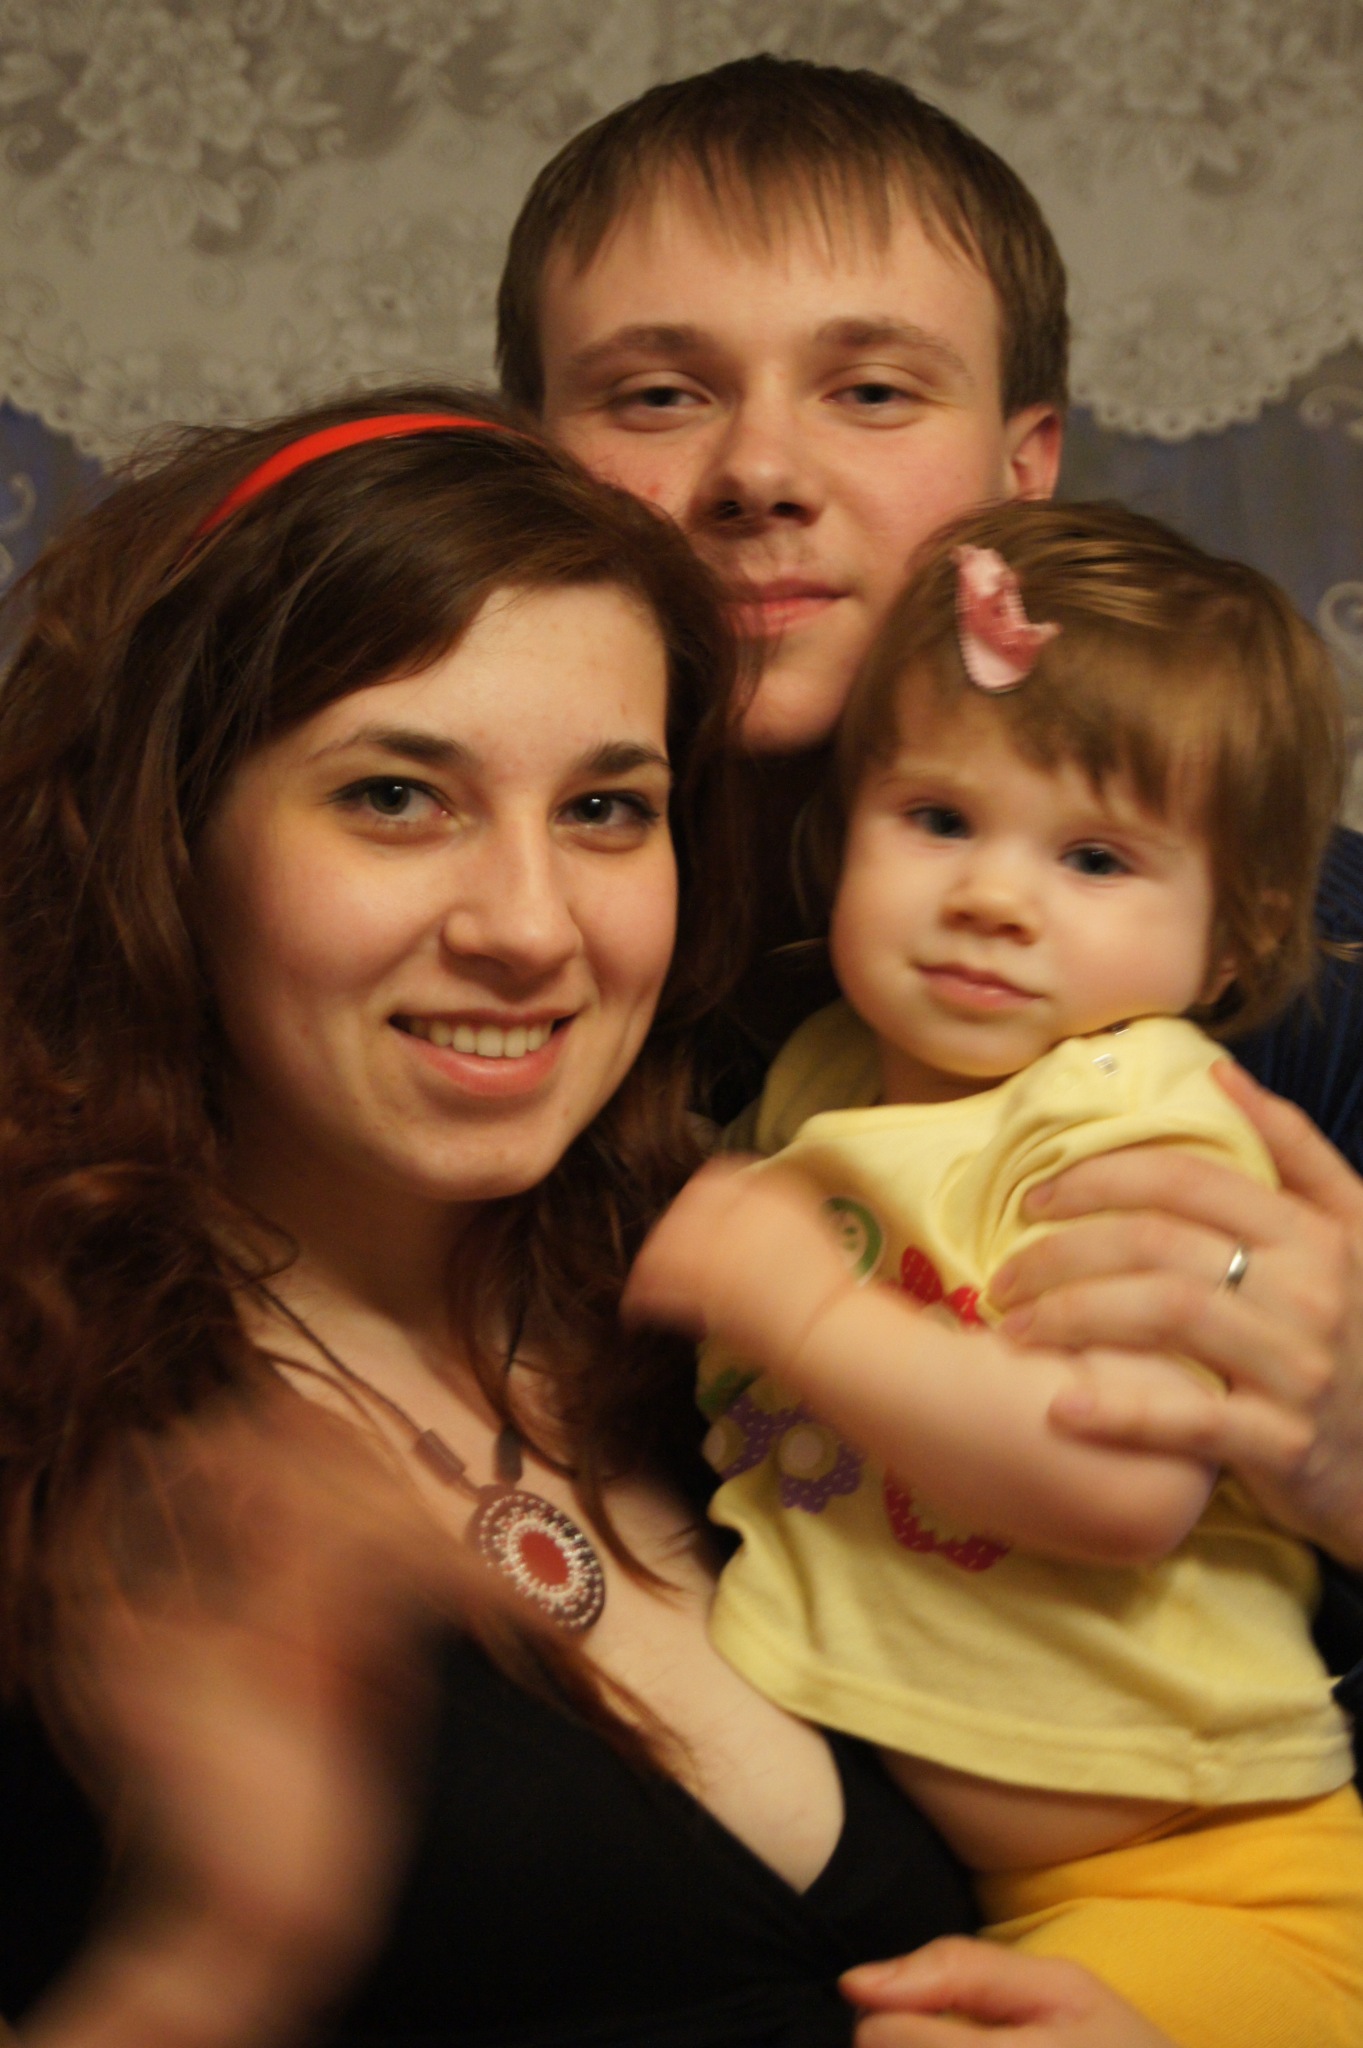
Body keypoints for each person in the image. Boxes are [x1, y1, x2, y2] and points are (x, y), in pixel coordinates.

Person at [0, 386, 1191, 2048]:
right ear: (171, 839)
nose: (530, 927)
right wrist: (220, 1949)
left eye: (604, 809)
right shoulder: (45, 1422)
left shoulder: (770, 1292)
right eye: (396, 796)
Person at [498, 54, 1363, 1585]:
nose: (760, 473)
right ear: (529, 464)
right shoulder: (473, 944)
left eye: (873, 391)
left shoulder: (1319, 957)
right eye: (659, 394)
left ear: (1024, 471)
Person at [626, 500, 1363, 2048]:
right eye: (940, 820)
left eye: (1094, 858)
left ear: (1233, 942)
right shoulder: (825, 1075)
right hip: (979, 1882)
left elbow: (1122, 1484)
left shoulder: (1140, 1121)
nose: (991, 897)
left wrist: (801, 1309)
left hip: (1221, 1885)